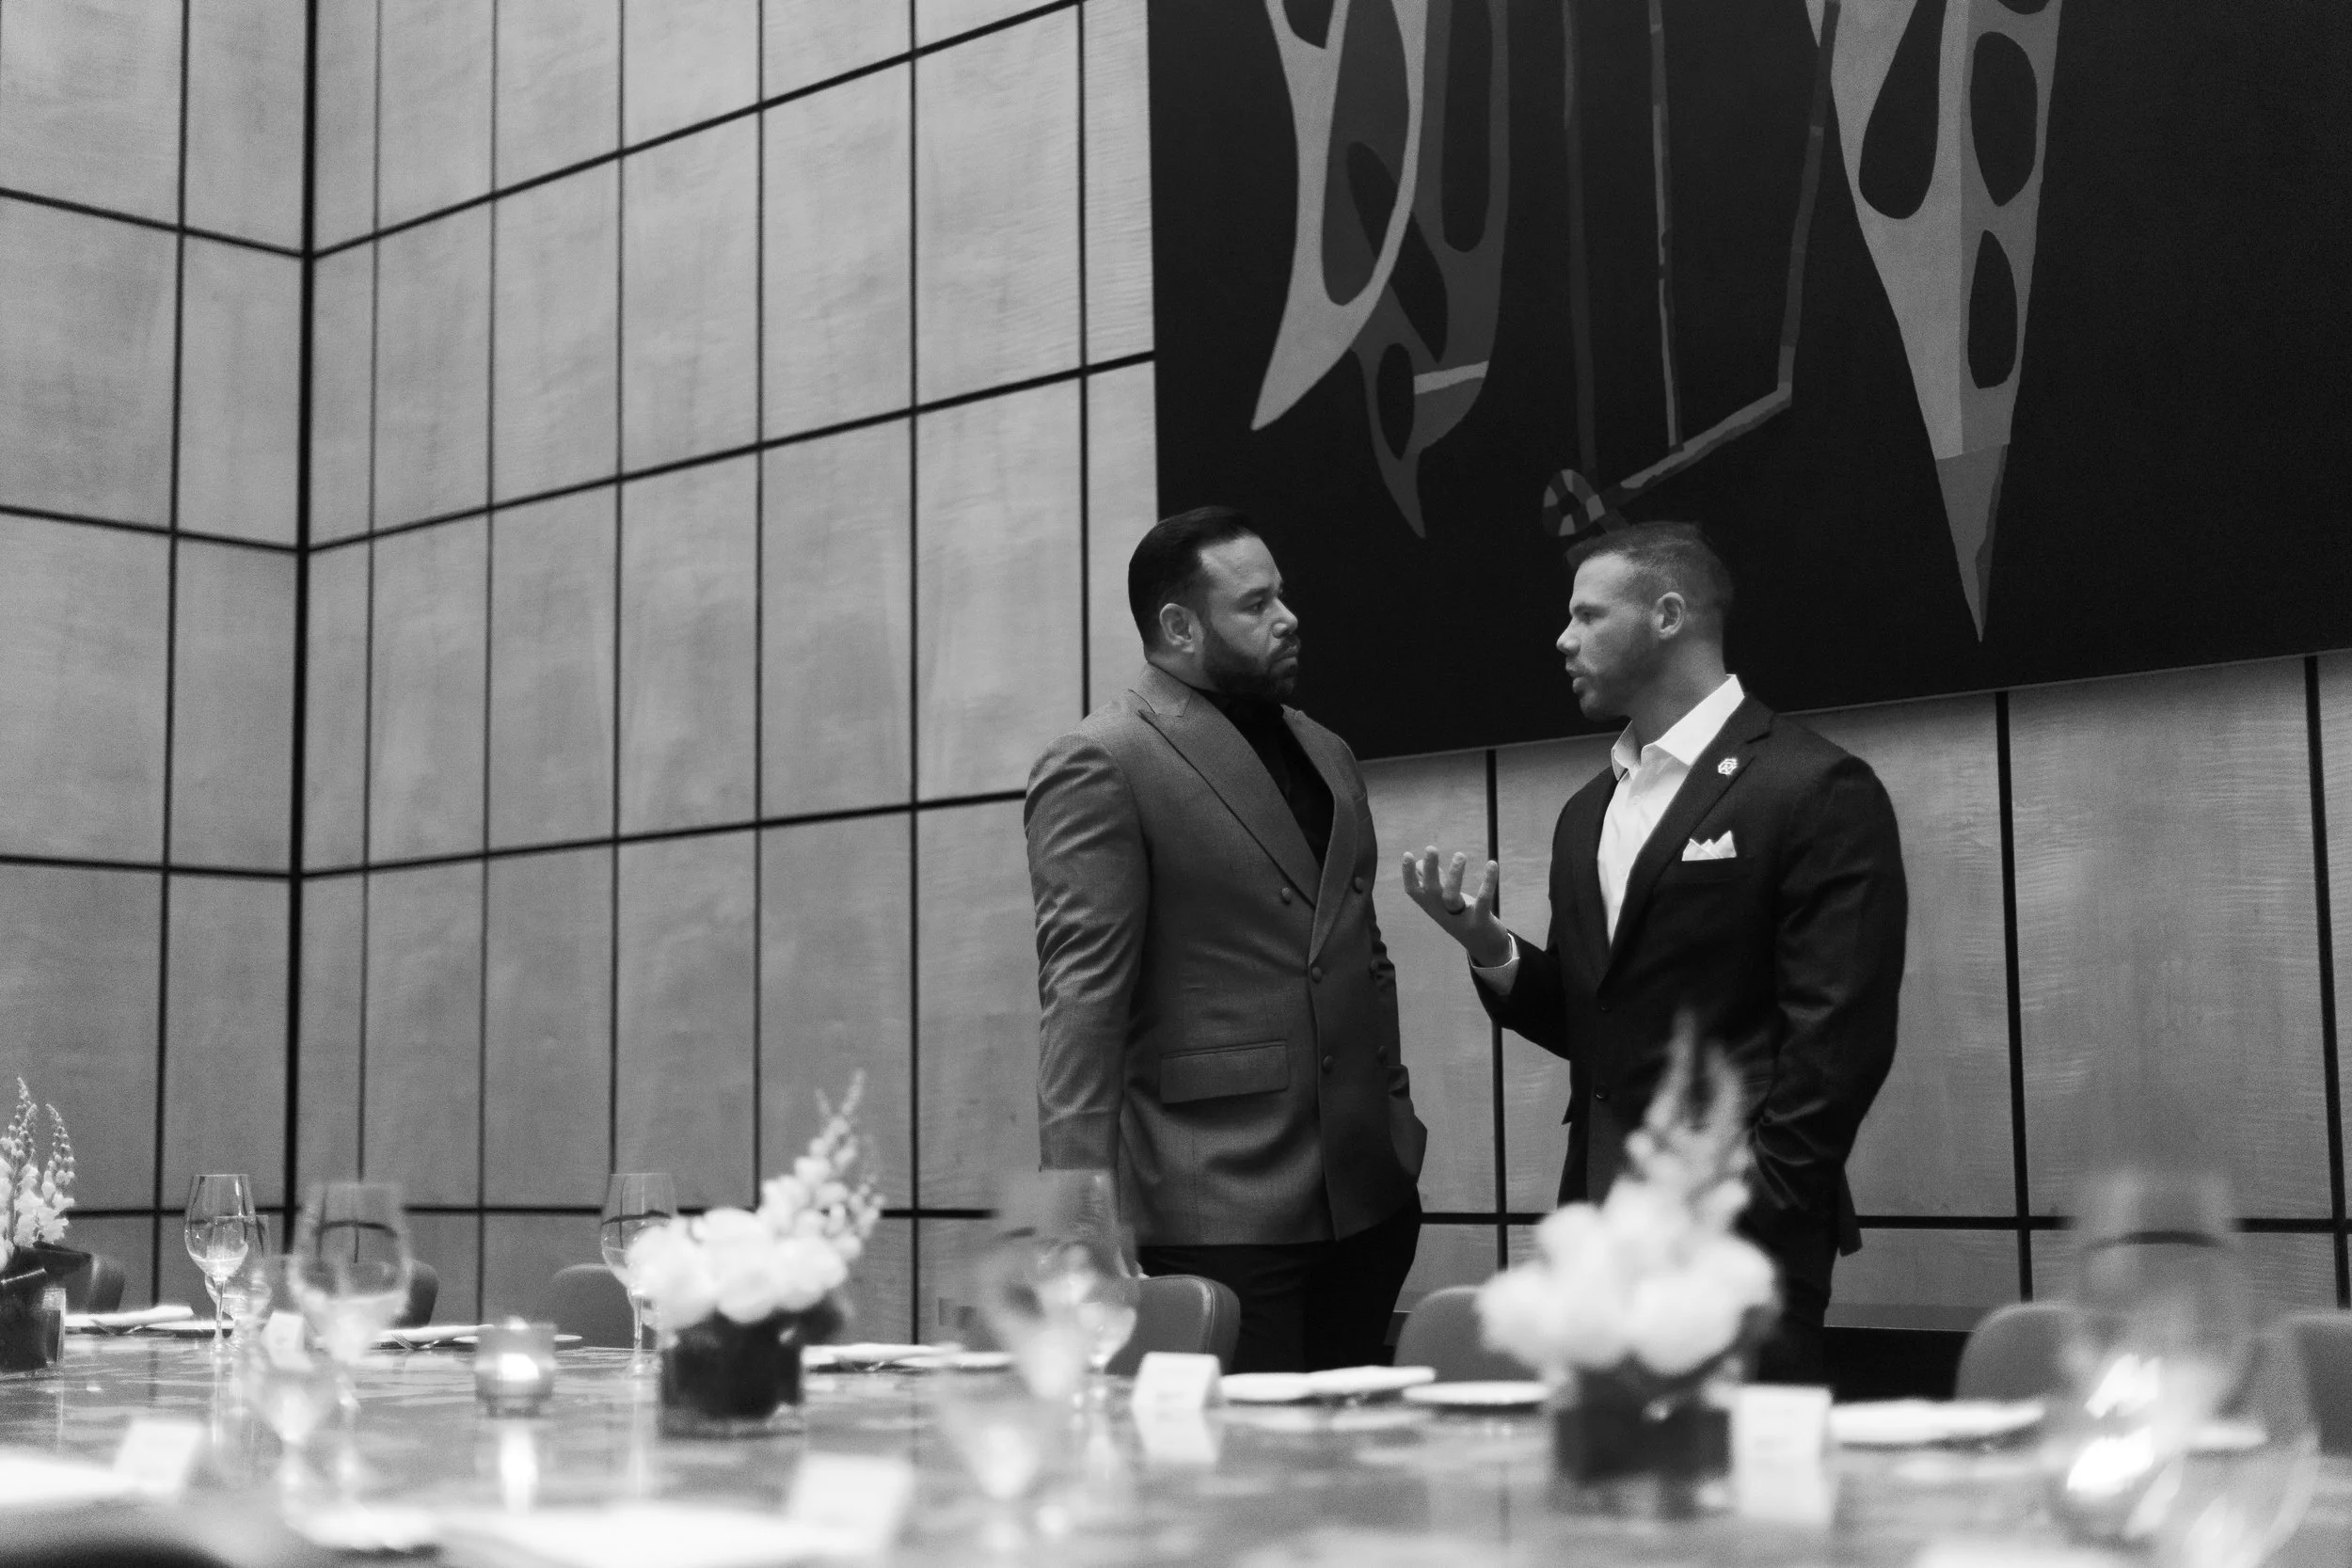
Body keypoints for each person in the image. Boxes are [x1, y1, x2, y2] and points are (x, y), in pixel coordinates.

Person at [1400, 522, 1906, 1383]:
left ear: (1668, 615)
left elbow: (1838, 1042)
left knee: (1741, 1505)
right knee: (1608, 1504)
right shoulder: (1586, 811)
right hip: (1600, 1231)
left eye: (1587, 615)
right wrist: (1492, 948)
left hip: (1741, 1234)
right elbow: (1595, 1021)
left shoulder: (1813, 786)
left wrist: (1755, 1213)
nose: (1562, 638)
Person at [1026, 506, 1426, 1373]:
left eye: (1282, 594)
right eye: (1255, 604)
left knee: (1355, 1479)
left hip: (1368, 1192)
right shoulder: (1103, 758)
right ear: (1179, 625)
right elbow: (1081, 1001)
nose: (1288, 616)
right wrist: (1077, 1218)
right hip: (1218, 1198)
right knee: (1238, 1496)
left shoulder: (1327, 748)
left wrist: (1394, 1111)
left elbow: (1360, 946)